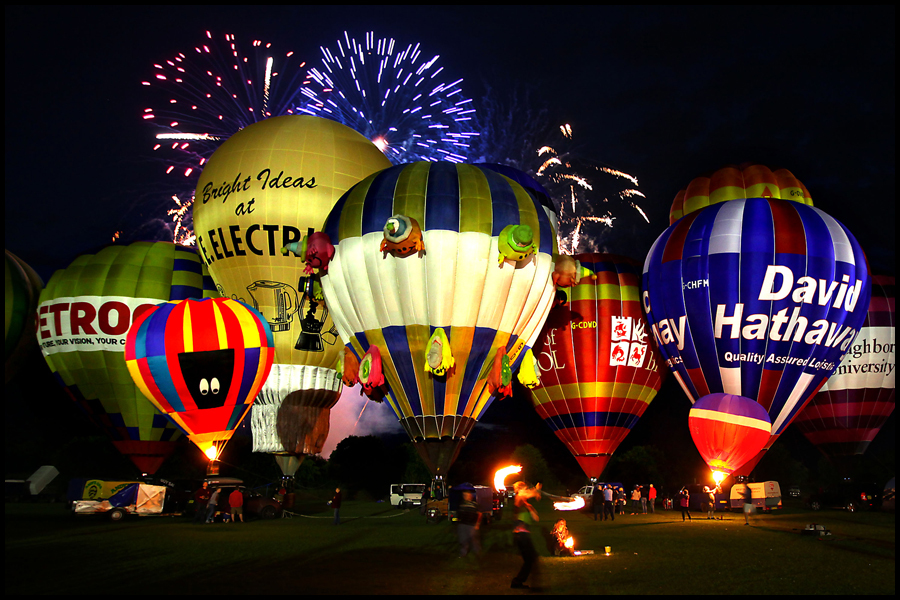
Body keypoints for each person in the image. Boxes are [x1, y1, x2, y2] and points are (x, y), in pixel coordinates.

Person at [510, 481, 542, 590]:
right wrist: (536, 490)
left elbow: (536, 518)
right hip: (521, 535)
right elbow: (526, 494)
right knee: (530, 559)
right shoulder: (519, 498)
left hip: (524, 535)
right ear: (520, 489)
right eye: (525, 488)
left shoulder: (525, 503)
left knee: (531, 559)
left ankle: (518, 582)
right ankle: (518, 582)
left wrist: (532, 507)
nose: (526, 489)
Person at [456, 489, 482, 558]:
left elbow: (479, 514)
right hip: (462, 524)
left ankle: (477, 553)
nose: (465, 496)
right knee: (463, 539)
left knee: (474, 539)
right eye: (464, 495)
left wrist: (477, 524)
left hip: (471, 525)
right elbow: (459, 514)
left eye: (466, 495)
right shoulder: (462, 504)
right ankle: (463, 553)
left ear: (470, 496)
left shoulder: (474, 504)